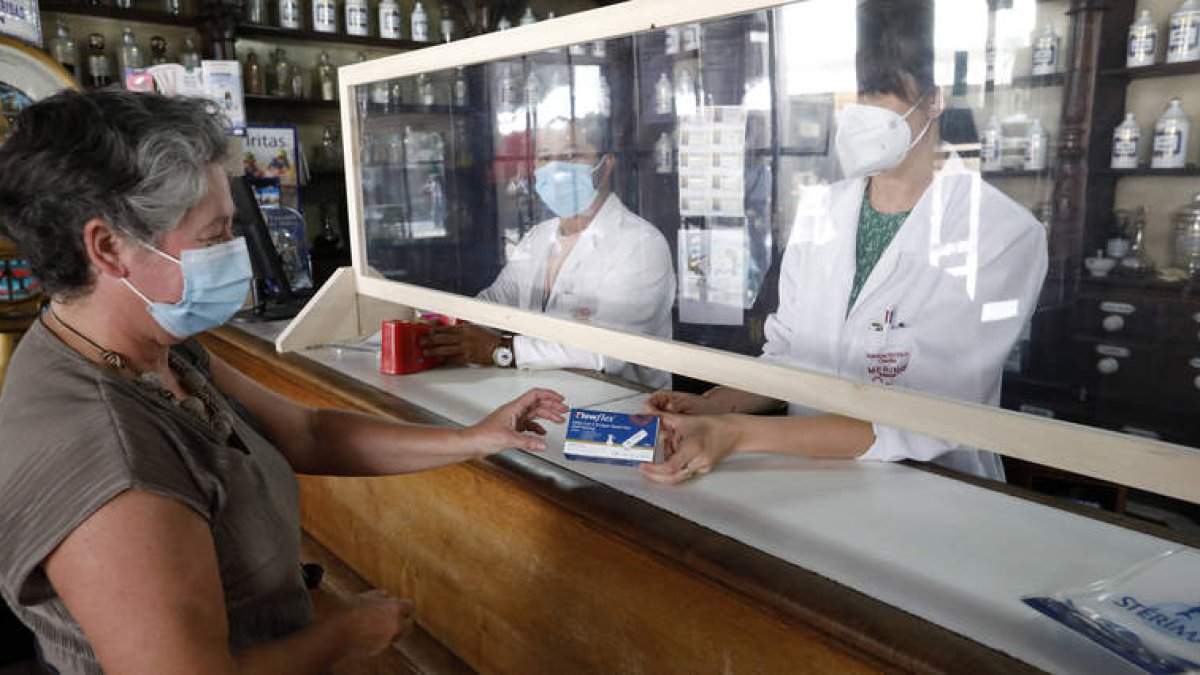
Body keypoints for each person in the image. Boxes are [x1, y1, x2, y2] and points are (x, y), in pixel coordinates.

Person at [0, 89, 567, 674]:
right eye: (213, 236)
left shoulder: (149, 348)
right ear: (108, 247)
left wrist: (472, 438)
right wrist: (344, 634)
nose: (234, 253)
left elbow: (309, 433)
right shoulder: (109, 460)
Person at [641, 0, 1047, 485]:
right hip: (806, 473)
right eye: (860, 95)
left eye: (885, 93)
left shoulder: (1000, 231)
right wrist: (711, 406)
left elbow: (927, 421)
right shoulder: (822, 210)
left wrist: (735, 432)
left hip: (933, 490)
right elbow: (789, 354)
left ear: (935, 99)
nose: (865, 113)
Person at [421, 115, 676, 389]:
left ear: (606, 166)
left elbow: (607, 352)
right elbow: (496, 302)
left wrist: (500, 349)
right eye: (545, 157)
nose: (556, 168)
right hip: (544, 396)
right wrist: (444, 327)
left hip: (622, 409)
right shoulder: (538, 237)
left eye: (571, 154)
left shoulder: (640, 244)